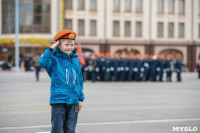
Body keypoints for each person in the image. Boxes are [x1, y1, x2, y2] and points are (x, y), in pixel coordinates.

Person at [39, 29, 85, 133]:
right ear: (59, 45)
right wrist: (52, 47)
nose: (70, 47)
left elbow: (79, 82)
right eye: (66, 44)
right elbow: (42, 60)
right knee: (57, 130)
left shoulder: (76, 62)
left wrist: (80, 99)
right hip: (59, 101)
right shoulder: (54, 61)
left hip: (73, 102)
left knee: (70, 129)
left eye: (72, 44)